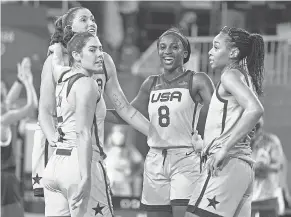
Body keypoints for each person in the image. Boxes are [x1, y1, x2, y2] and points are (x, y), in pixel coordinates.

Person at [34, 6, 150, 197]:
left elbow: (124, 110)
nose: (91, 24)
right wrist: (55, 140)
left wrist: (156, 134)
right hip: (62, 154)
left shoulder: (104, 61)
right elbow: (45, 111)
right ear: (70, 27)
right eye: (84, 19)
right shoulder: (55, 60)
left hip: (92, 154)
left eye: (93, 19)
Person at [106, 27, 214, 217]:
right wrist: (93, 112)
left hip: (184, 157)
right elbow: (127, 115)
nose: (167, 51)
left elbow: (218, 112)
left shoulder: (197, 80)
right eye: (162, 47)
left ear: (185, 53)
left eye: (174, 47)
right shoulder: (150, 83)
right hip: (155, 158)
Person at [185, 26, 265, 217]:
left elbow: (255, 110)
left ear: (234, 52)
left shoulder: (230, 76)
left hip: (228, 165)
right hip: (243, 168)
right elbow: (232, 123)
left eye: (216, 47)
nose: (211, 52)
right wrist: (203, 145)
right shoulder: (245, 77)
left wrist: (223, 149)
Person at [42, 32, 112, 217]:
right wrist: (87, 176)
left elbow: (56, 65)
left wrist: (56, 51)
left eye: (100, 49)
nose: (99, 54)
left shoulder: (63, 76)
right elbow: (83, 132)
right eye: (92, 49)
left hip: (55, 166)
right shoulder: (88, 83)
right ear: (76, 55)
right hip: (79, 164)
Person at [1, 57, 37, 217]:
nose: (7, 96)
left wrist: (19, 80)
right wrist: (28, 82)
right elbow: (31, 107)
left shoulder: (4, 116)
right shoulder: (4, 119)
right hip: (6, 181)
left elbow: (9, 100)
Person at [251, 118, 288, 216]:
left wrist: (263, 167)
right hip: (248, 197)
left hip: (268, 197)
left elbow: (278, 166)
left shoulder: (271, 141)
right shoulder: (240, 141)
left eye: (256, 126)